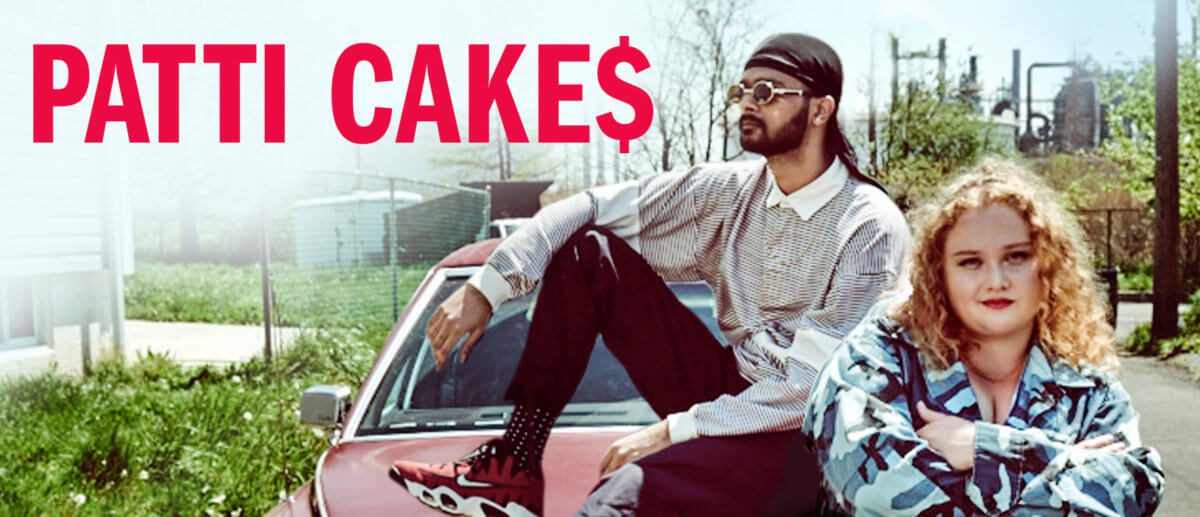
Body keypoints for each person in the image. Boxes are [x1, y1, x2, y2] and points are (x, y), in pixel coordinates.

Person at [391, 33, 911, 516]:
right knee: (589, 252)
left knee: (618, 499)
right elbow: (590, 206)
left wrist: (672, 431)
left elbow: (810, 387)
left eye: (768, 91)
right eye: (743, 90)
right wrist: (489, 287)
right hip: (731, 388)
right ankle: (516, 464)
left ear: (821, 108)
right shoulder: (731, 191)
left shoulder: (867, 225)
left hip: (808, 435)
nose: (749, 102)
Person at [802, 158, 1165, 516]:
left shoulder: (1088, 388)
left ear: (1050, 265)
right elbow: (876, 494)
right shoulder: (878, 355)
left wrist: (986, 446)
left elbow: (1133, 488)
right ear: (939, 273)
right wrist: (1060, 462)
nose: (996, 280)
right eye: (970, 261)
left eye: (1017, 256)